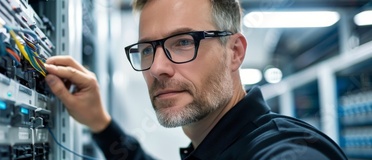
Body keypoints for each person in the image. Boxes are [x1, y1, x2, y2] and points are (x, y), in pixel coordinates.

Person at [43, 0, 347, 159]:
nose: (158, 67)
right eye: (147, 49)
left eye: (183, 42)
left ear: (235, 52)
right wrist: (101, 124)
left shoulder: (285, 152)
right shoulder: (217, 145)